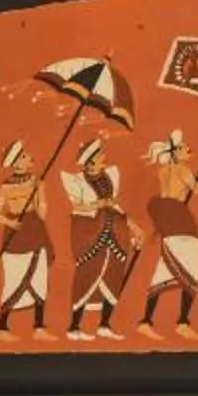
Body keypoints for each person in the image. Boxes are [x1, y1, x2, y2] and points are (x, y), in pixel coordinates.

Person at [58, 137, 139, 340]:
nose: (104, 157)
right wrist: (99, 204)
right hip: (88, 231)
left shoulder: (110, 176)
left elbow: (114, 204)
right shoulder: (76, 180)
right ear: (90, 160)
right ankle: (74, 326)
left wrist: (133, 226)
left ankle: (104, 324)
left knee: (113, 273)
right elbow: (77, 206)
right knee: (87, 273)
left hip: (114, 230)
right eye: (100, 154)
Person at [135, 132, 198, 338]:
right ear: (174, 152)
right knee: (189, 268)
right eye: (184, 147)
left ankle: (148, 319)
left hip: (171, 218)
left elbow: (174, 194)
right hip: (179, 221)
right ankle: (181, 322)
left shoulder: (165, 171)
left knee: (165, 268)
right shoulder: (182, 169)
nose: (188, 150)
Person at [0, 141, 53, 339]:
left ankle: (39, 326)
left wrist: (41, 191)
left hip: (35, 229)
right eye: (25, 156)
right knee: (13, 280)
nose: (30, 158)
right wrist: (10, 223)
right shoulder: (6, 187)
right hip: (16, 236)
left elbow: (43, 213)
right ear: (17, 163)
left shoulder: (36, 182)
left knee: (40, 278)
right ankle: (2, 327)